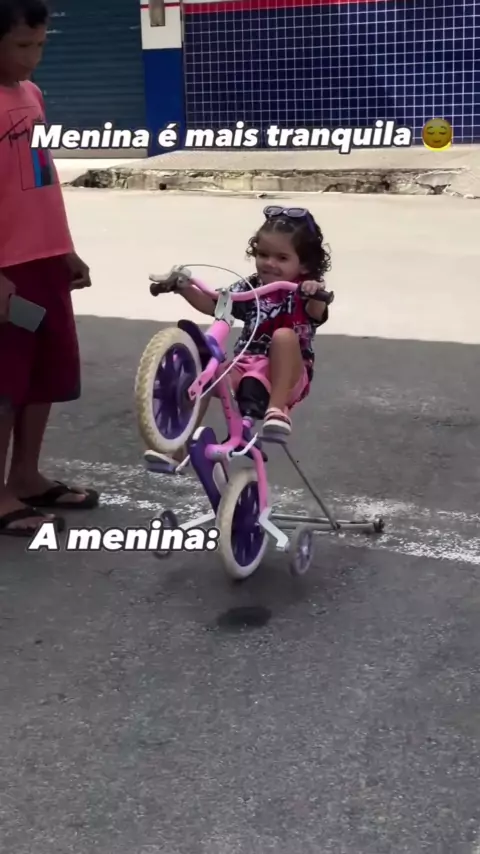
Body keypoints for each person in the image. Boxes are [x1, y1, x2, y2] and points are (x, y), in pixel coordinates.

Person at [0, 0, 99, 537]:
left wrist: (63, 248)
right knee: (5, 382)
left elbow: (41, 179)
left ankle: (25, 475)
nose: (33, 57)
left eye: (40, 45)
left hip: (42, 262)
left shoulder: (32, 95)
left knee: (43, 376)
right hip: (5, 269)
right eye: (22, 45)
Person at [149, 205, 331, 473]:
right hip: (246, 366)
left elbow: (317, 311)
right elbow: (215, 305)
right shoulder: (251, 286)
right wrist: (183, 288)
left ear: (304, 264)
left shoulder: (304, 289)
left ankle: (276, 412)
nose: (270, 263)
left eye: (282, 258)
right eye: (263, 254)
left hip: (287, 374)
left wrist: (315, 292)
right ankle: (175, 447)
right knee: (205, 377)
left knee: (283, 336)